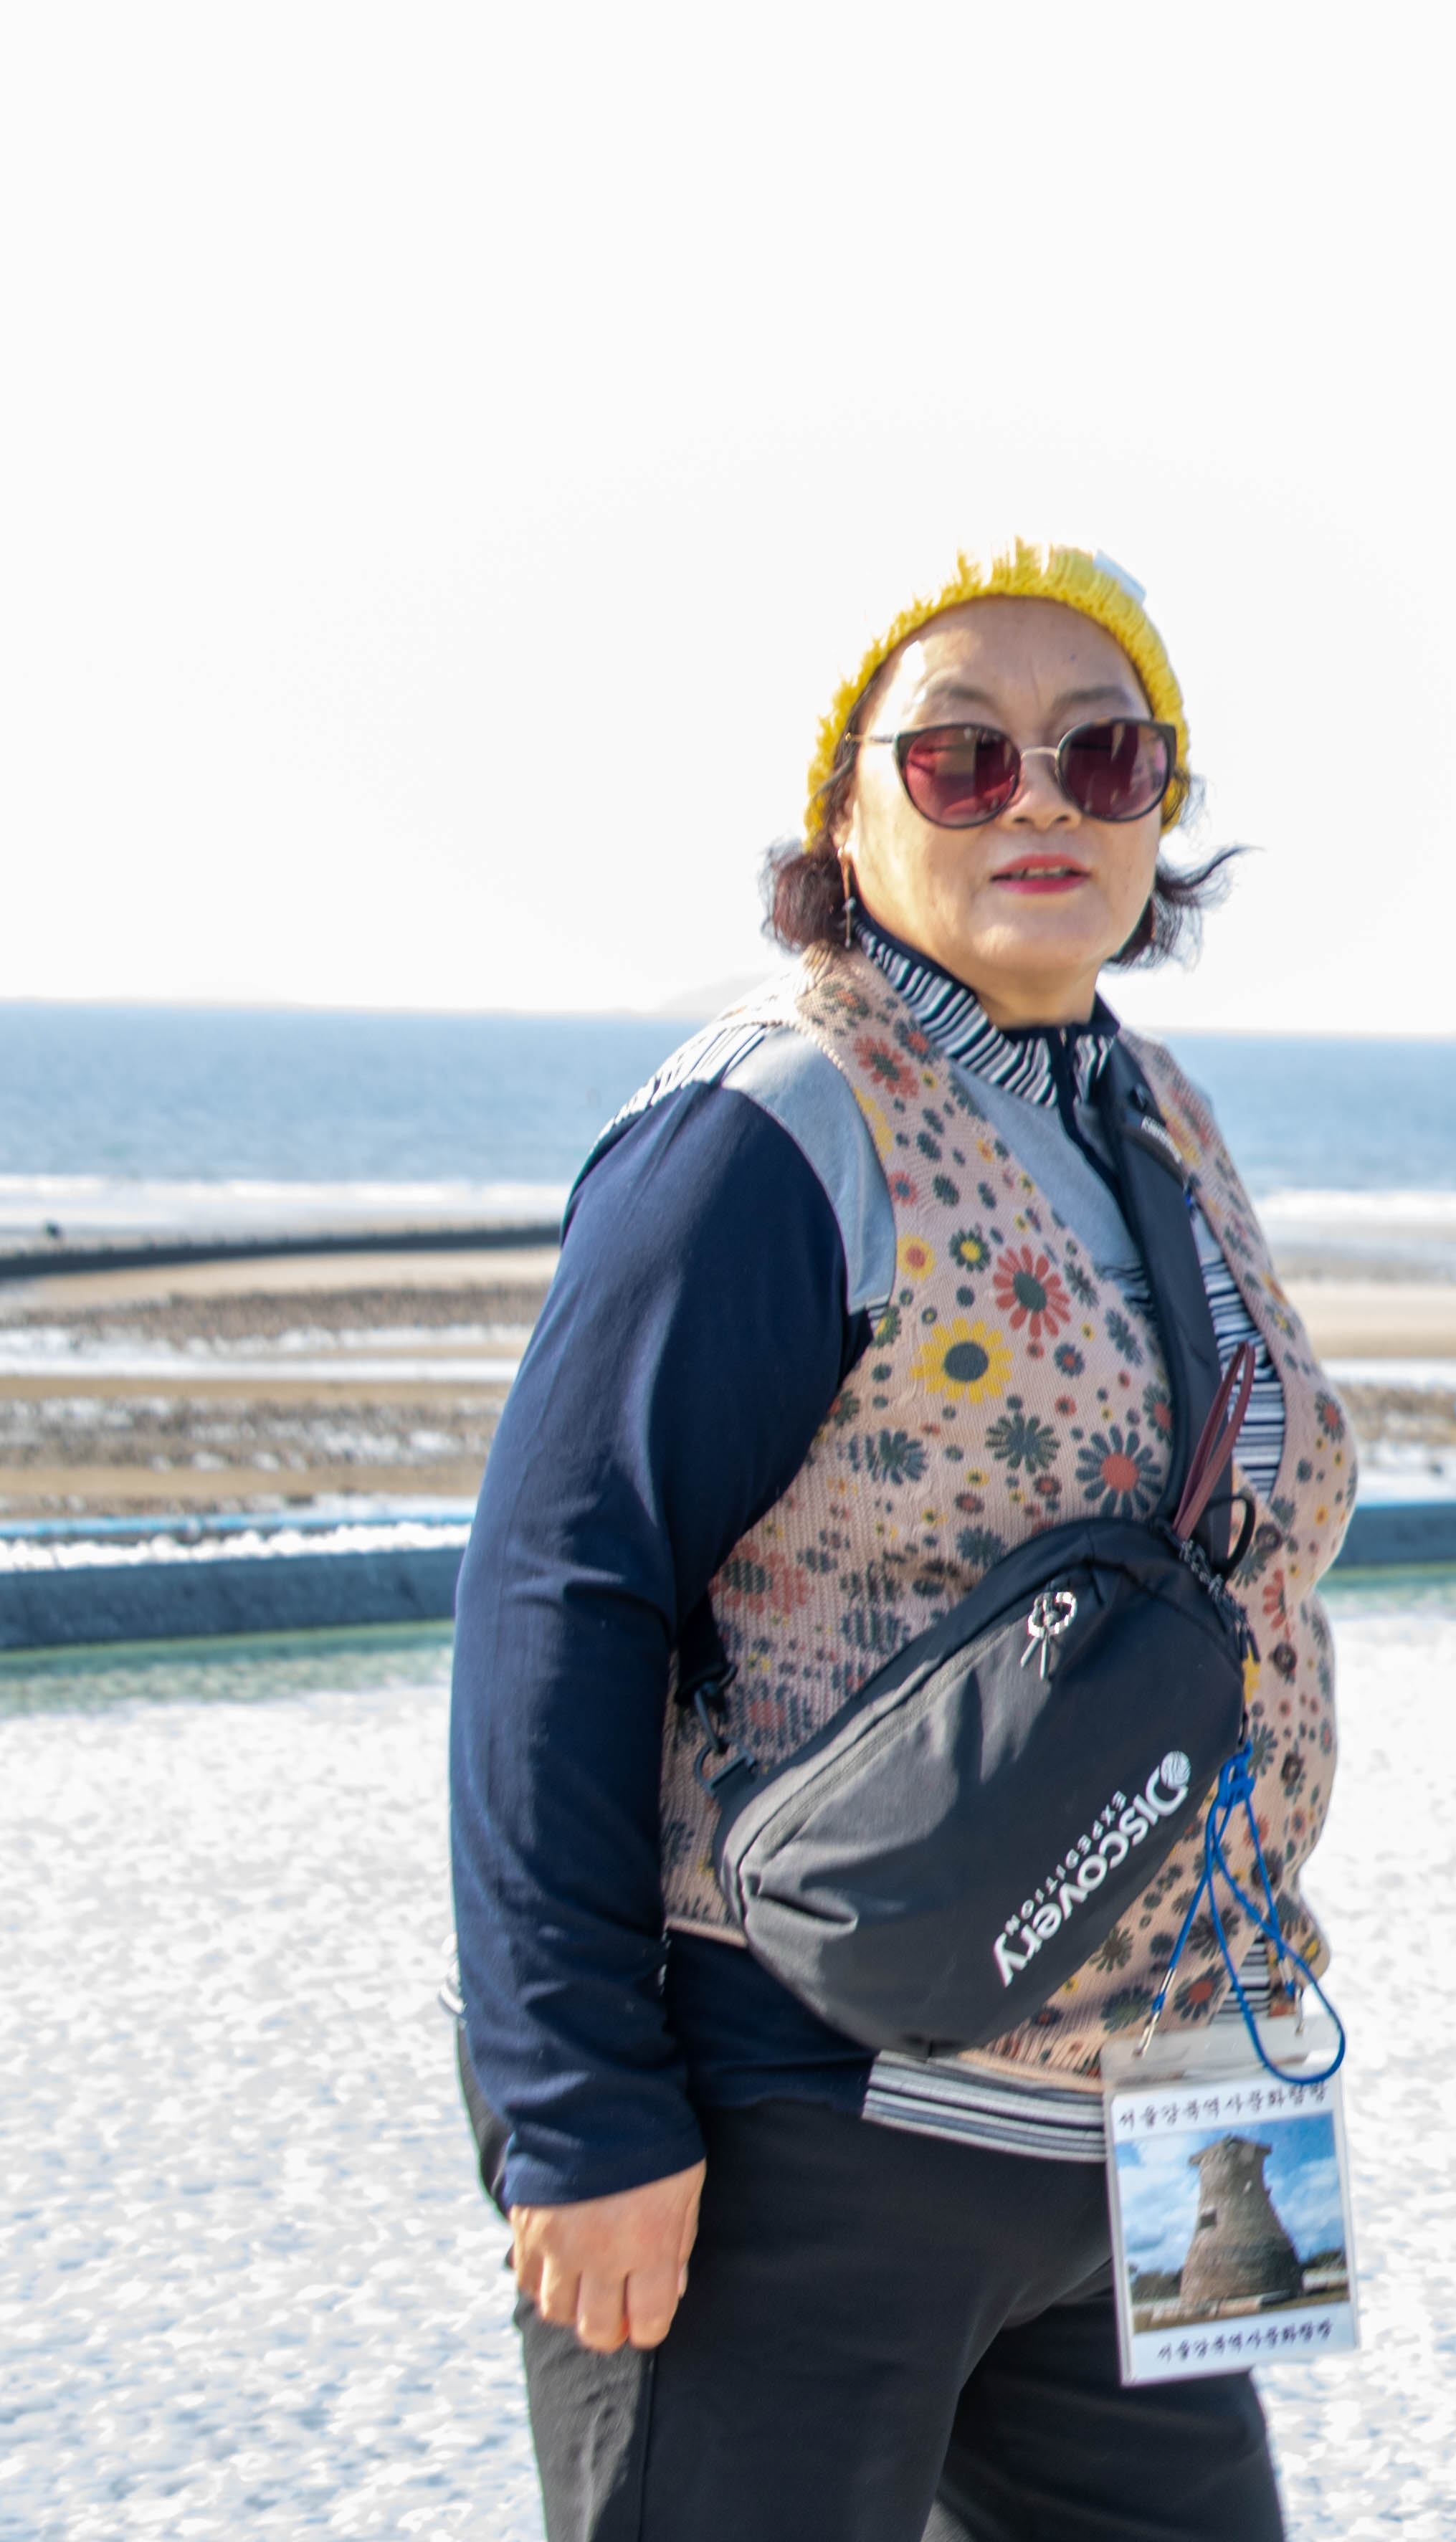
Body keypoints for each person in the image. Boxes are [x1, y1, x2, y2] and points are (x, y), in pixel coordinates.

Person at [449, 543, 1357, 2541]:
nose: (1039, 798)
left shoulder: (1156, 1114)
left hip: (1154, 2123)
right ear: (844, 817)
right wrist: (576, 2104)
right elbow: (559, 1593)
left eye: (1103, 755)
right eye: (961, 757)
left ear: (1162, 810)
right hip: (813, 2120)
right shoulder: (781, 1122)